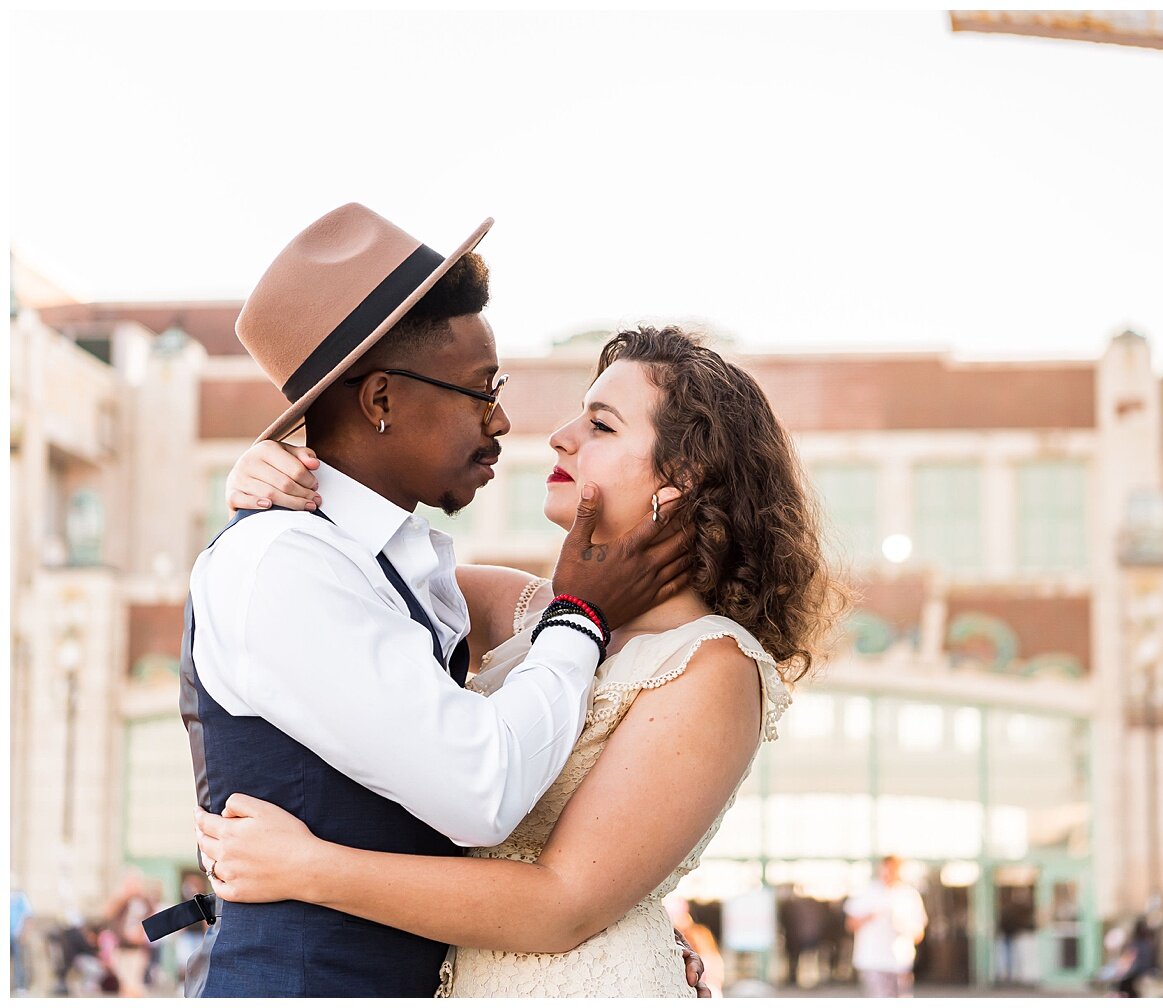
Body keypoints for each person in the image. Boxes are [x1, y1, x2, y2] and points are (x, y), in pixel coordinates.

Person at [196, 325, 845, 996]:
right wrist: (280, 476)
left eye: (601, 425)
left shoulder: (712, 668)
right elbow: (349, 572)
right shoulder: (531, 611)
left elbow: (561, 904)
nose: (559, 436)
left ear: (681, 477)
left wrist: (310, 869)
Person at [162, 204, 692, 997]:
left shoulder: (402, 566)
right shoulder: (285, 564)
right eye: (482, 390)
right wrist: (579, 618)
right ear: (380, 400)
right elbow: (482, 790)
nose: (506, 420)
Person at [844, 856, 928, 998]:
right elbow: (850, 924)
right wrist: (870, 917)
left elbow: (919, 933)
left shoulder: (909, 895)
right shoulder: (866, 891)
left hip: (900, 962)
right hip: (872, 962)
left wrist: (904, 927)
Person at [1107, 917, 1157, 997]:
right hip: (1141, 971)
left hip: (1137, 972)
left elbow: (1132, 961)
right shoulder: (1147, 943)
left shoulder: (1136, 944)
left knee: (1123, 984)